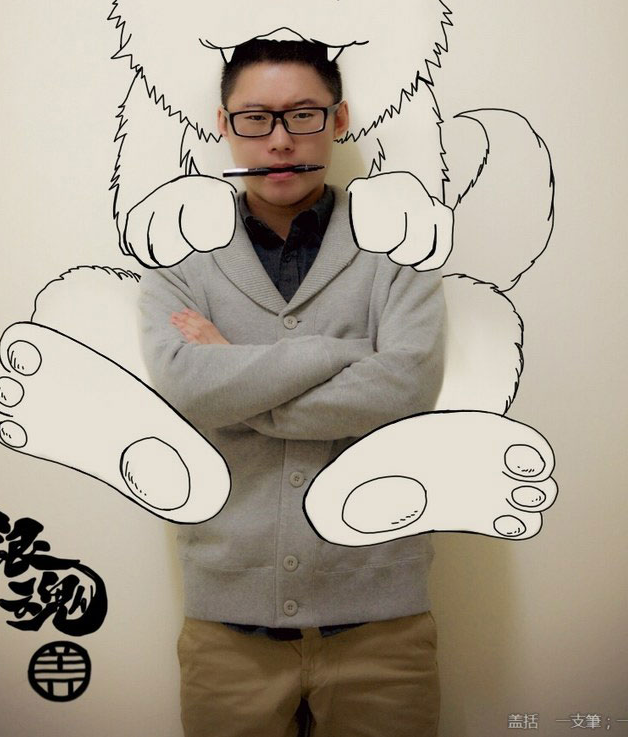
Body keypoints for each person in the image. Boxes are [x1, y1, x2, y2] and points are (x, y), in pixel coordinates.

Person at [138, 39, 445, 737]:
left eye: (303, 115)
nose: (279, 141)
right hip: (228, 629)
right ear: (225, 124)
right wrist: (344, 354)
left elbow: (406, 386)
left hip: (384, 621)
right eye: (256, 119)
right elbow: (188, 386)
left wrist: (237, 374)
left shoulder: (398, 246)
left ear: (339, 120)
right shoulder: (181, 256)